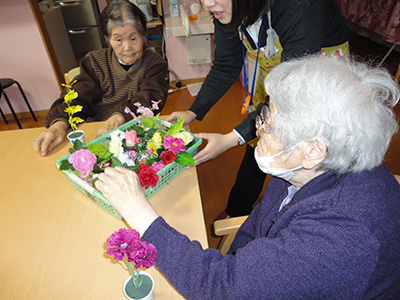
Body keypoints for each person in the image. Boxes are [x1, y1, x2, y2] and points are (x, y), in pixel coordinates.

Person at [95, 56, 400, 299]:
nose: (259, 126)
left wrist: (138, 212)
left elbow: (221, 288)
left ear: (312, 151)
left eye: (268, 120)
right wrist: (239, 266)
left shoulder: (339, 238)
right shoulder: (304, 170)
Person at [167, 0, 350, 220]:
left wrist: (231, 138)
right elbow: (226, 64)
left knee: (306, 155)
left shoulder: (300, 5)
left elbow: (290, 92)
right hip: (280, 75)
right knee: (259, 139)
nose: (207, 3)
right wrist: (193, 112)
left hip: (317, 76)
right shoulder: (225, 8)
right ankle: (238, 209)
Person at [33, 0, 168, 157]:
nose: (127, 48)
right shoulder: (94, 62)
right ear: (108, 39)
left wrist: (120, 116)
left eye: (133, 38)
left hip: (136, 133)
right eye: (118, 40)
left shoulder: (154, 64)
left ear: (144, 36)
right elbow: (78, 96)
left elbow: (149, 99)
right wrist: (60, 122)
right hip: (96, 134)